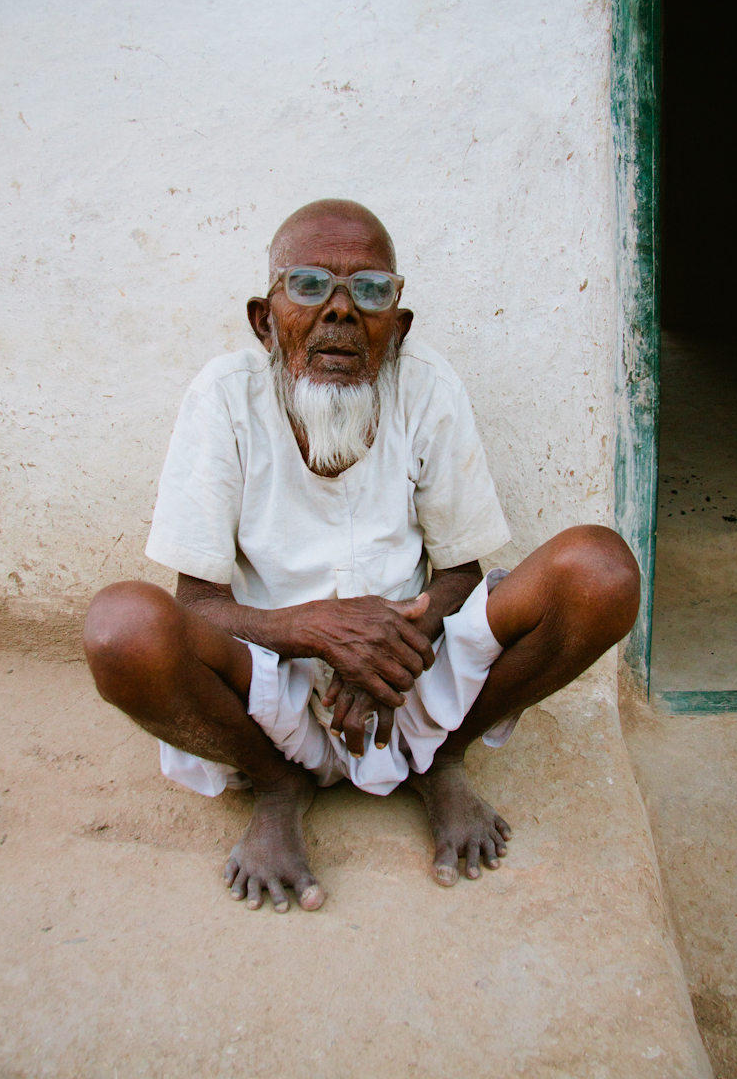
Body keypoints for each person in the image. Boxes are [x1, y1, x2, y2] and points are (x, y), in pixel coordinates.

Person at [84, 198, 640, 914]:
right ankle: (278, 785)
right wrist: (317, 631)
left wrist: (387, 649)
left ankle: (441, 758)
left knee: (601, 572)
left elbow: (459, 577)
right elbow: (196, 606)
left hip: (409, 679)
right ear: (265, 318)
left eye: (370, 292)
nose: (340, 312)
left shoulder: (428, 386)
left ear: (397, 326)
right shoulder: (222, 398)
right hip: (267, 688)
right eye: (310, 285)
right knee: (120, 630)